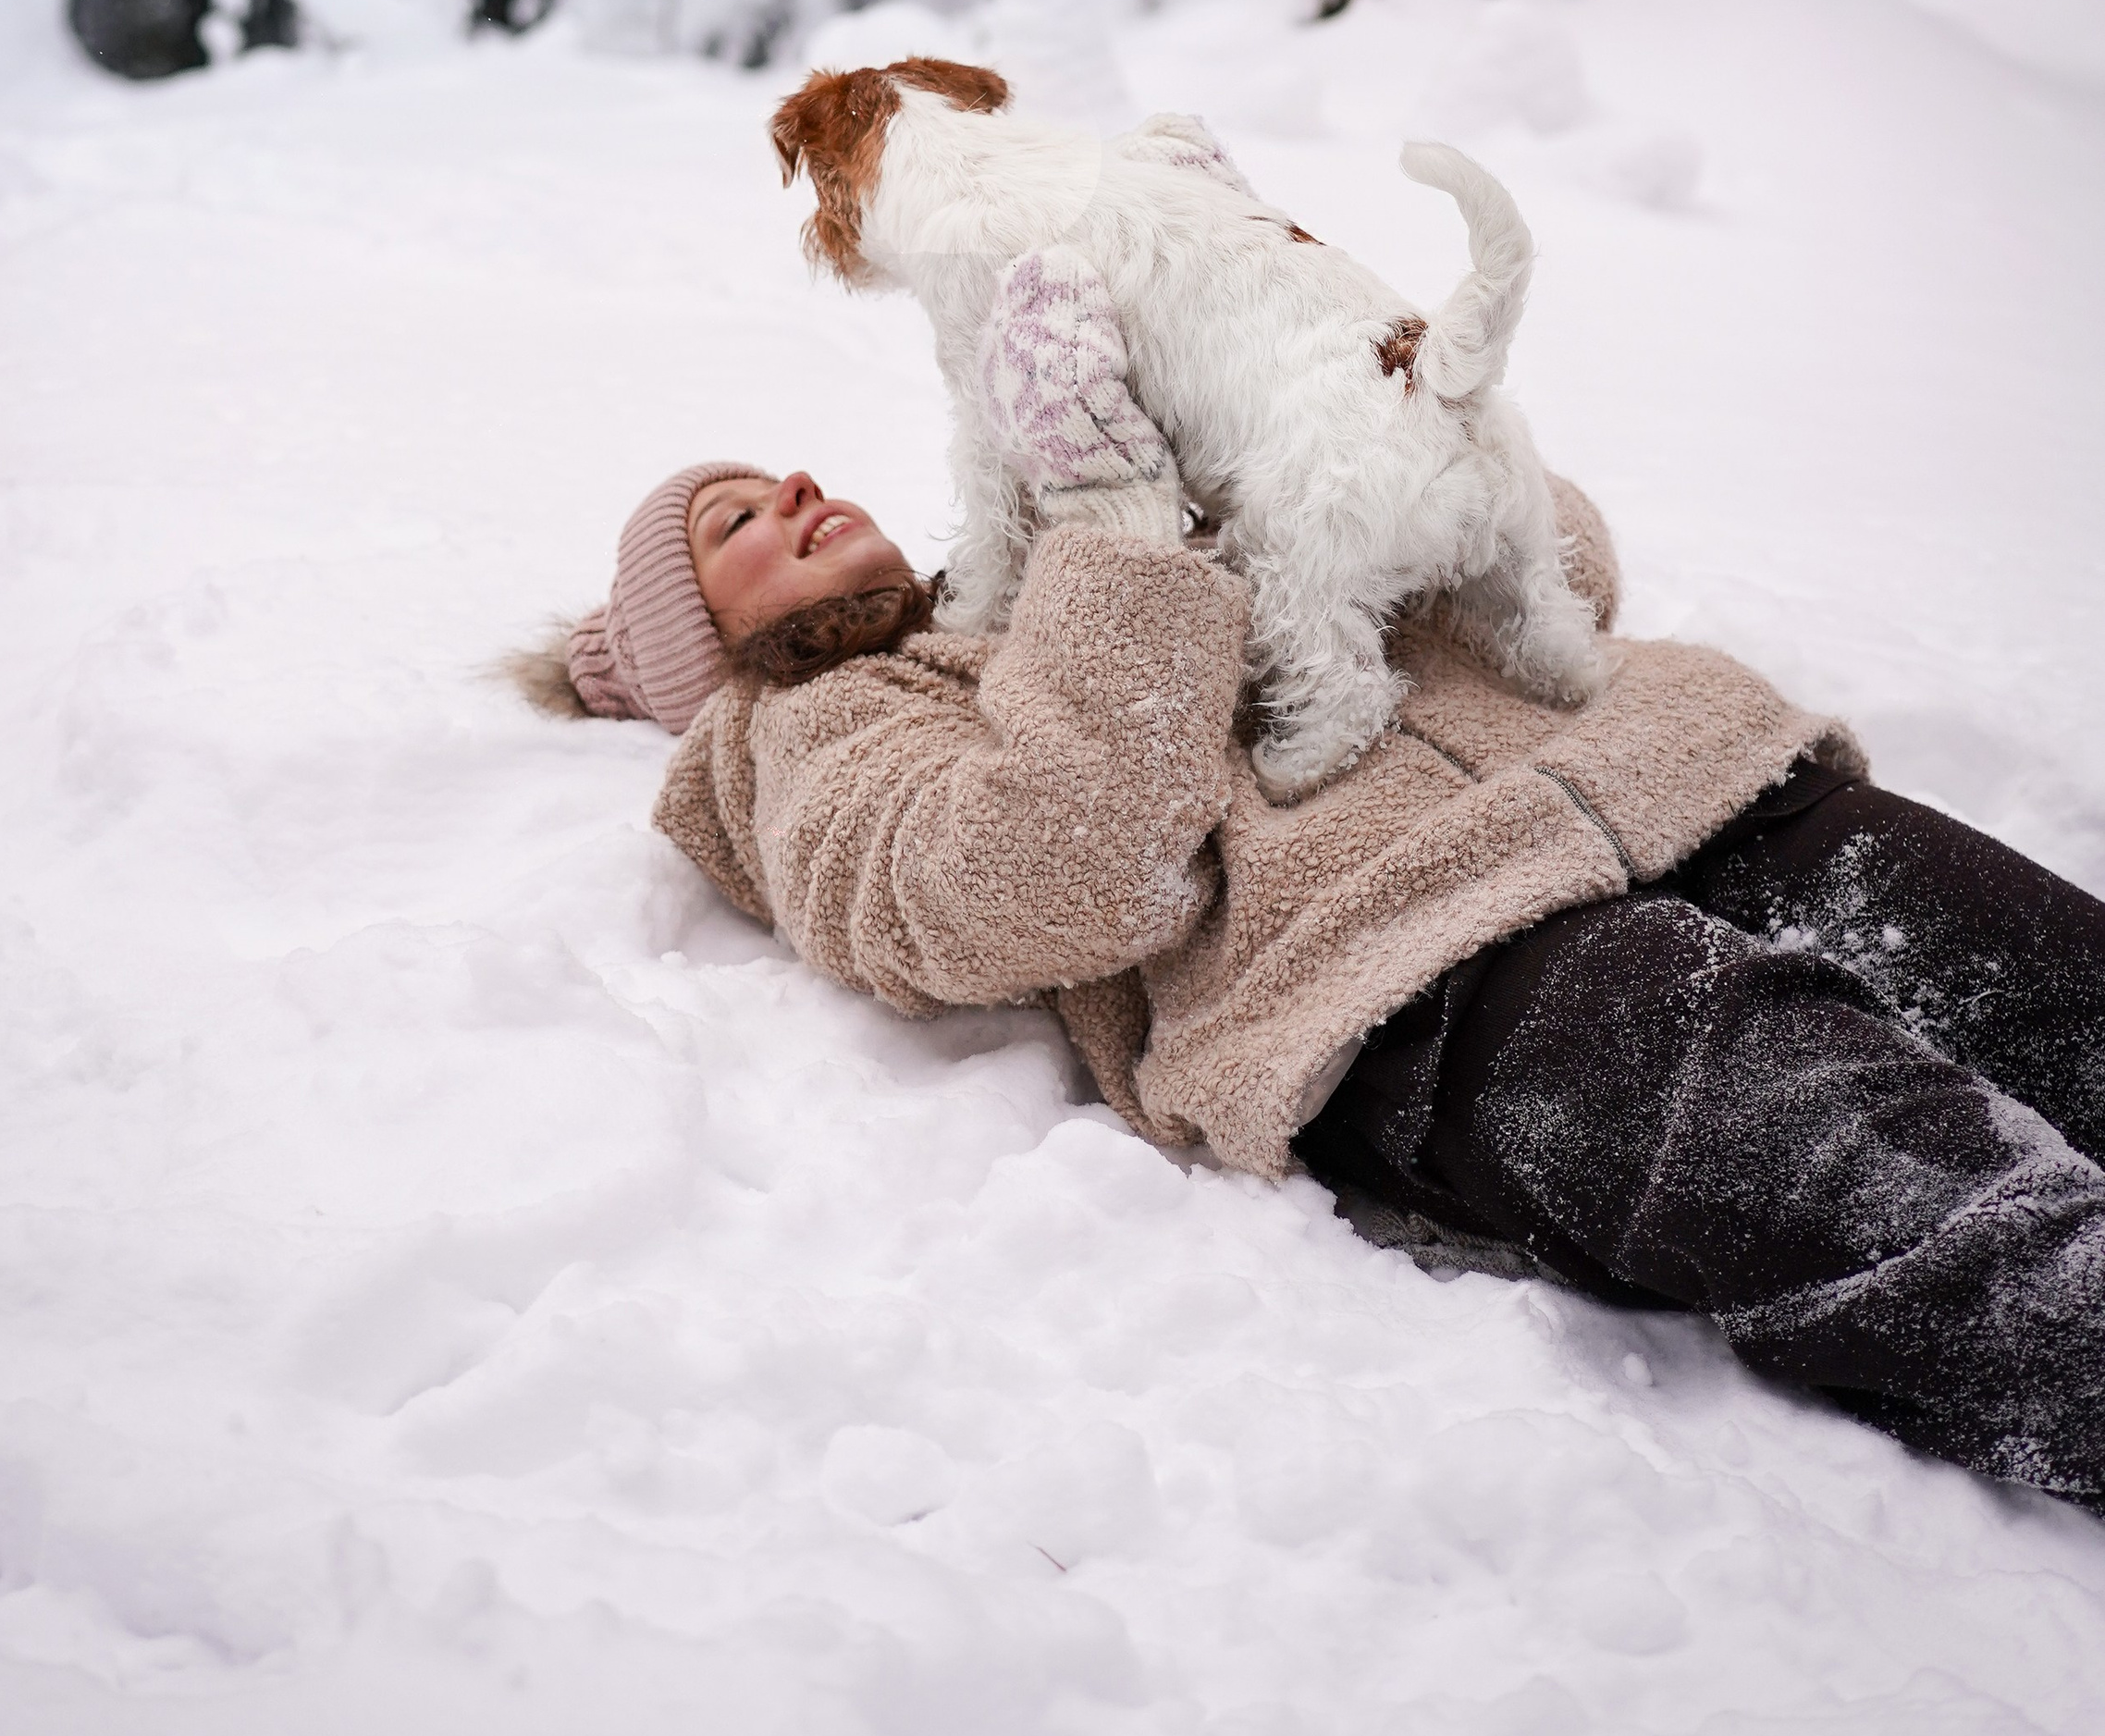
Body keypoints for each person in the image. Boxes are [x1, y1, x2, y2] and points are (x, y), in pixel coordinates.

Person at [523, 262, 2105, 1514]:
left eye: (772, 473)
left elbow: (1558, 563)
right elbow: (1055, 876)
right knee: (1943, 1217)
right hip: (1430, 978)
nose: (790, 485)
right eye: (735, 520)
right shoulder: (814, 738)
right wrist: (1124, 533)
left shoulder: (1037, 562)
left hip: (1701, 785)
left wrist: (1345, 426)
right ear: (706, 652)